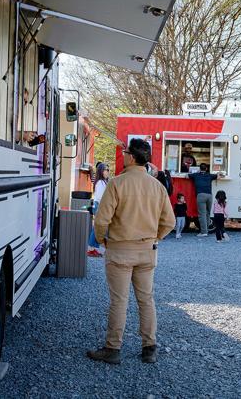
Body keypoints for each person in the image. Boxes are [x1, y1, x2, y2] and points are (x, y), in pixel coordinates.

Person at [88, 138, 175, 365]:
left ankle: (113, 348)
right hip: (147, 251)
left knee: (119, 300)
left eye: (126, 152)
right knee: (146, 300)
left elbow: (101, 220)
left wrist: (101, 240)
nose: (123, 155)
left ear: (131, 157)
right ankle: (149, 348)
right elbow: (170, 222)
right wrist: (155, 237)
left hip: (119, 250)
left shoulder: (117, 183)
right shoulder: (157, 187)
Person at [188, 163, 220, 238]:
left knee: (202, 214)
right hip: (209, 195)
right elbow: (219, 176)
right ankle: (207, 230)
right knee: (208, 213)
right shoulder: (209, 175)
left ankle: (204, 232)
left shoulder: (196, 175)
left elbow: (186, 176)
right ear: (206, 169)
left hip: (200, 195)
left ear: (199, 169)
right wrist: (219, 173)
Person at [88, 163, 110, 258]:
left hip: (100, 205)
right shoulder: (101, 182)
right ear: (101, 171)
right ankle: (91, 248)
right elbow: (101, 197)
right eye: (106, 170)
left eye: (108, 170)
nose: (107, 171)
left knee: (97, 228)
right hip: (100, 206)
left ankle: (93, 248)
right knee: (97, 228)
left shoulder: (103, 182)